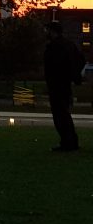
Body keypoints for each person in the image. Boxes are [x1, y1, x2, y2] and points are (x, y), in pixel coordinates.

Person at [44, 22, 85, 152]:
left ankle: (68, 143)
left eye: (48, 30)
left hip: (57, 84)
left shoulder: (56, 46)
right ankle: (69, 141)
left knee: (60, 114)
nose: (46, 32)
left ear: (53, 31)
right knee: (63, 113)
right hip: (63, 84)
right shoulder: (68, 44)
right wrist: (74, 75)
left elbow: (54, 65)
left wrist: (65, 74)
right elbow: (80, 60)